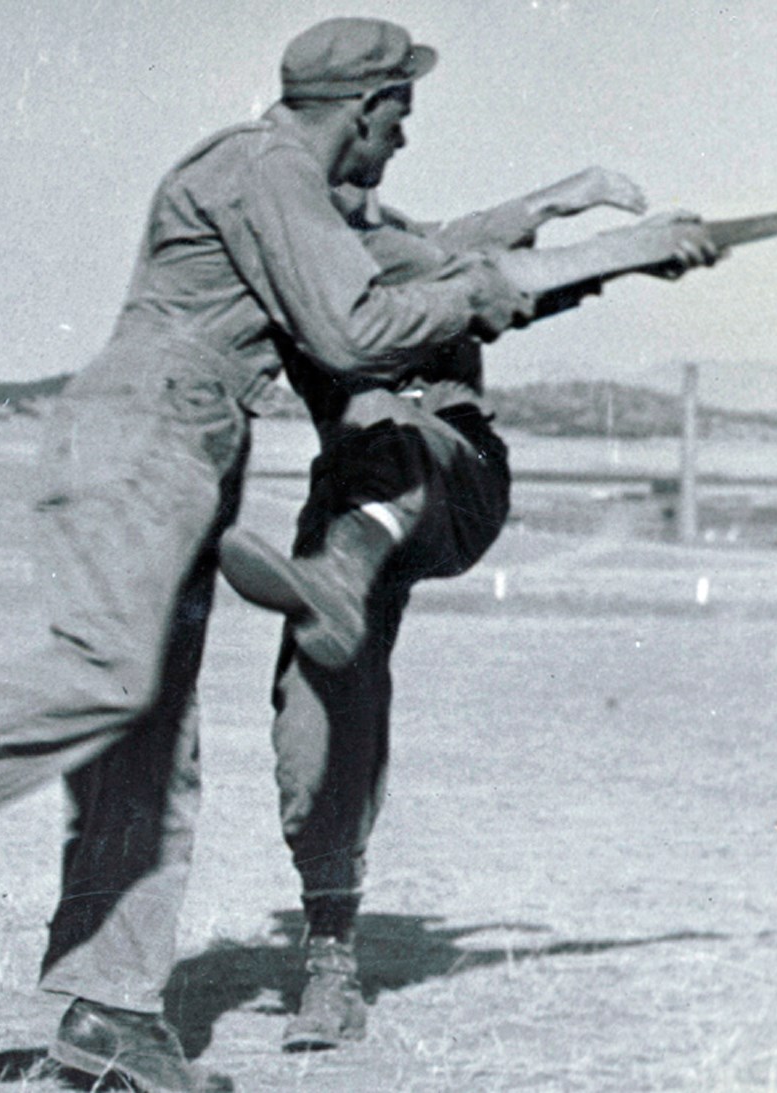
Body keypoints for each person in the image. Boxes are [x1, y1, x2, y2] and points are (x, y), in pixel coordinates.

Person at [0, 18, 714, 1092]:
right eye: (400, 119)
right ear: (364, 108)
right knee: (112, 674)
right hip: (149, 431)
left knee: (153, 734)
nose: (399, 144)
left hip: (189, 439)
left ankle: (111, 1011)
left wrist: (586, 228)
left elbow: (430, 252)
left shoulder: (290, 187)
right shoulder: (266, 170)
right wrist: (596, 248)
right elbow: (360, 322)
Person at [215, 162, 722, 1056]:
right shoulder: (292, 274)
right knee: (312, 713)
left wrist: (624, 245)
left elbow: (484, 271)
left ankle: (344, 567)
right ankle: (331, 965)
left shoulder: (415, 248)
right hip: (346, 498)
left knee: (396, 439)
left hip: (453, 476)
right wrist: (579, 218)